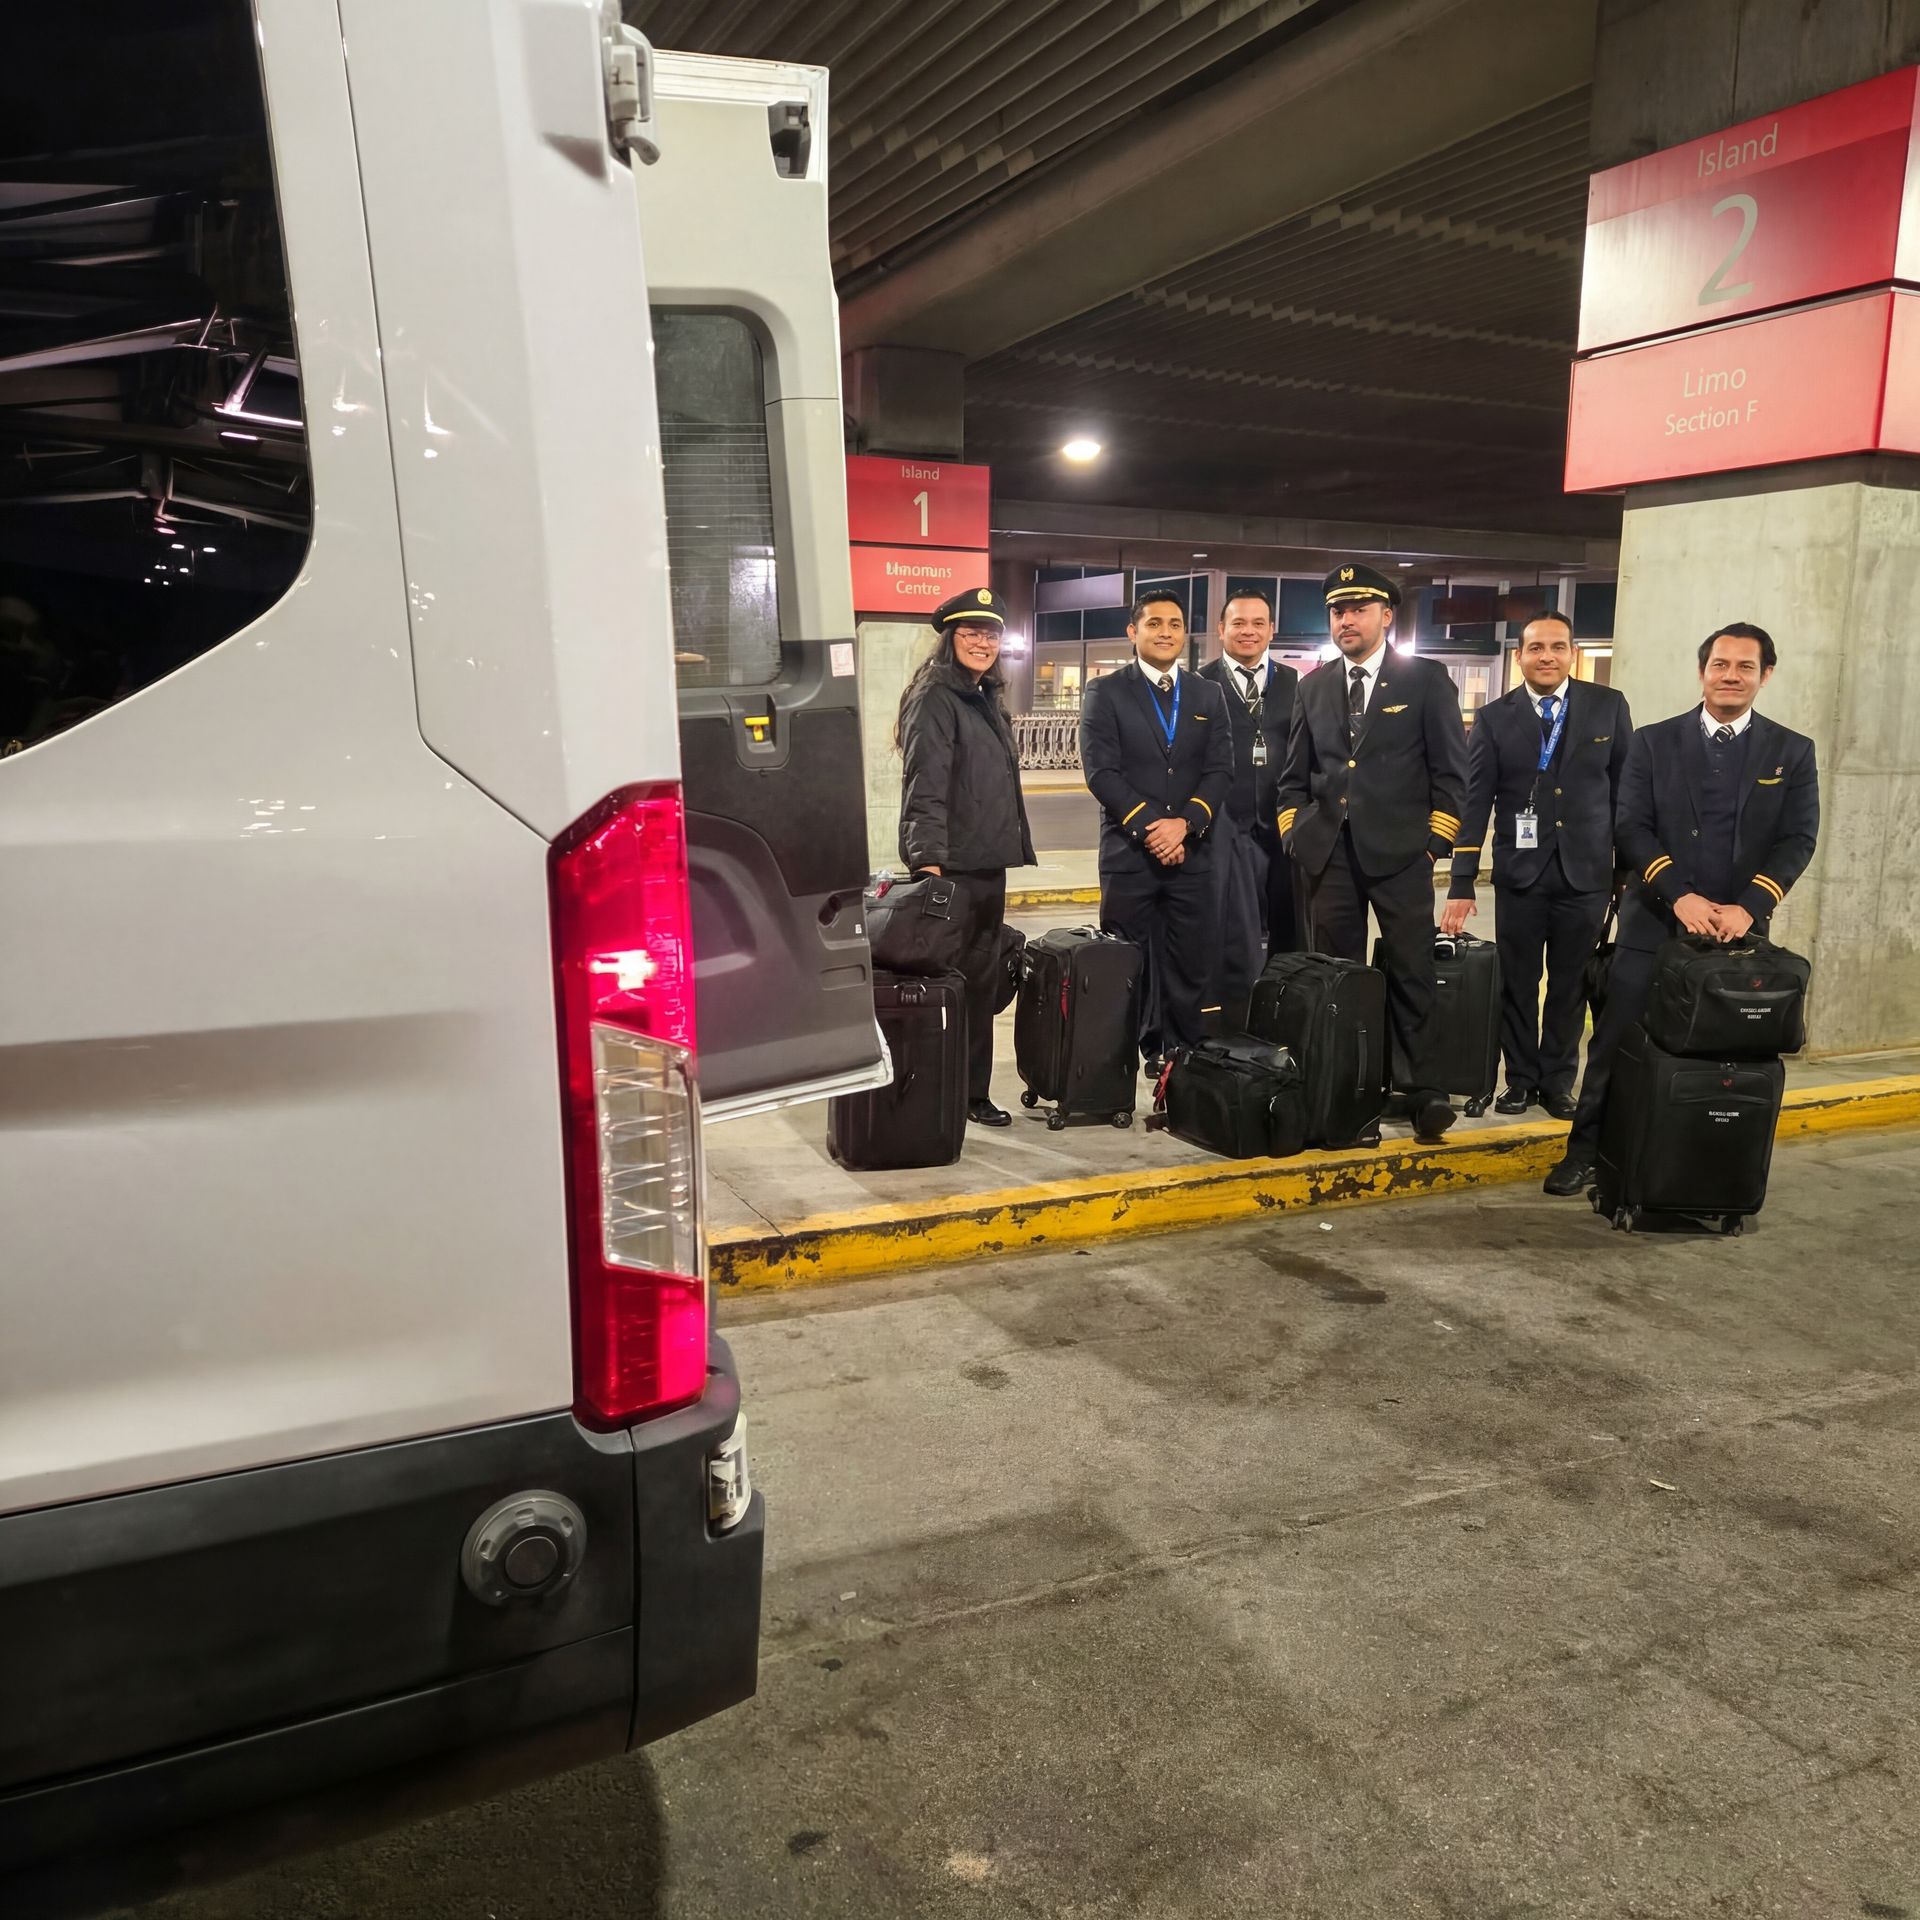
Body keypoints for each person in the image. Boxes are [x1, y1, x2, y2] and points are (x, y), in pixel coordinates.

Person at [1543, 622, 1820, 1195]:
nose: (1731, 676)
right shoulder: (1653, 741)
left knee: (1723, 1059)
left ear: (1765, 676)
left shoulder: (1791, 751)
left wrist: (1749, 906)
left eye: (1746, 667)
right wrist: (1680, 895)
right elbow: (1631, 826)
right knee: (1615, 1041)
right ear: (1702, 672)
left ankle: (1699, 1164)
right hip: (1655, 922)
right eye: (1720, 665)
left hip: (1736, 934)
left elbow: (1798, 838)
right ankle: (1586, 1152)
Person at [1277, 562, 1469, 1142]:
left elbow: (1452, 774)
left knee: (1411, 973)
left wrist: (1433, 847)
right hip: (1329, 855)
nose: (1346, 620)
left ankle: (1423, 1089)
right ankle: (1348, 1090)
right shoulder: (1312, 686)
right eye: (1337, 610)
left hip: (1402, 856)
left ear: (1386, 616)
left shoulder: (1426, 680)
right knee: (1339, 980)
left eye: (1359, 609)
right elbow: (1294, 777)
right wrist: (1295, 831)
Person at [1440, 611, 1633, 1118]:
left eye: (1557, 647)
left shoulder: (1607, 708)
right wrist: (1462, 880)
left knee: (1570, 985)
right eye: (1536, 648)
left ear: (1572, 654)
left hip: (1586, 874)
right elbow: (1474, 801)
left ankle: (1558, 1081)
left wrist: (1626, 874)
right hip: (1520, 874)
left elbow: (1627, 797)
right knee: (1518, 982)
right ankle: (1520, 1079)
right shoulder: (1495, 717)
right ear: (1519, 655)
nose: (1547, 656)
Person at [897, 586, 1037, 1128]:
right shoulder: (936, 696)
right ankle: (939, 1088)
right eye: (971, 631)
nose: (983, 641)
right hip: (951, 868)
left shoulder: (984, 697)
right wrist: (927, 863)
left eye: (991, 633)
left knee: (978, 984)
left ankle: (971, 1093)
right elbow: (924, 784)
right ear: (950, 638)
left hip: (987, 863)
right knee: (949, 986)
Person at [1079, 587, 1233, 1072]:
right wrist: (1153, 829)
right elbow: (1101, 772)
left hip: (1193, 853)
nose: (1164, 632)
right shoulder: (1105, 691)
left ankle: (1179, 1054)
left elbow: (1221, 769)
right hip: (1131, 855)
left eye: (1173, 624)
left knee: (1190, 961)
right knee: (1126, 962)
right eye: (1153, 624)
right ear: (1133, 631)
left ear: (1184, 633)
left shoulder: (1207, 693)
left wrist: (1185, 825)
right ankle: (1120, 1057)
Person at [1197, 589, 1302, 1024]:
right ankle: (1228, 1021)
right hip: (1224, 826)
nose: (1249, 631)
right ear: (1221, 630)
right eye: (1238, 623)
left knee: (1289, 929)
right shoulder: (1199, 685)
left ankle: (1283, 1017)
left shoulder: (1298, 685)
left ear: (1272, 630)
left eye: (1259, 623)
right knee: (1226, 932)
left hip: (1284, 827)